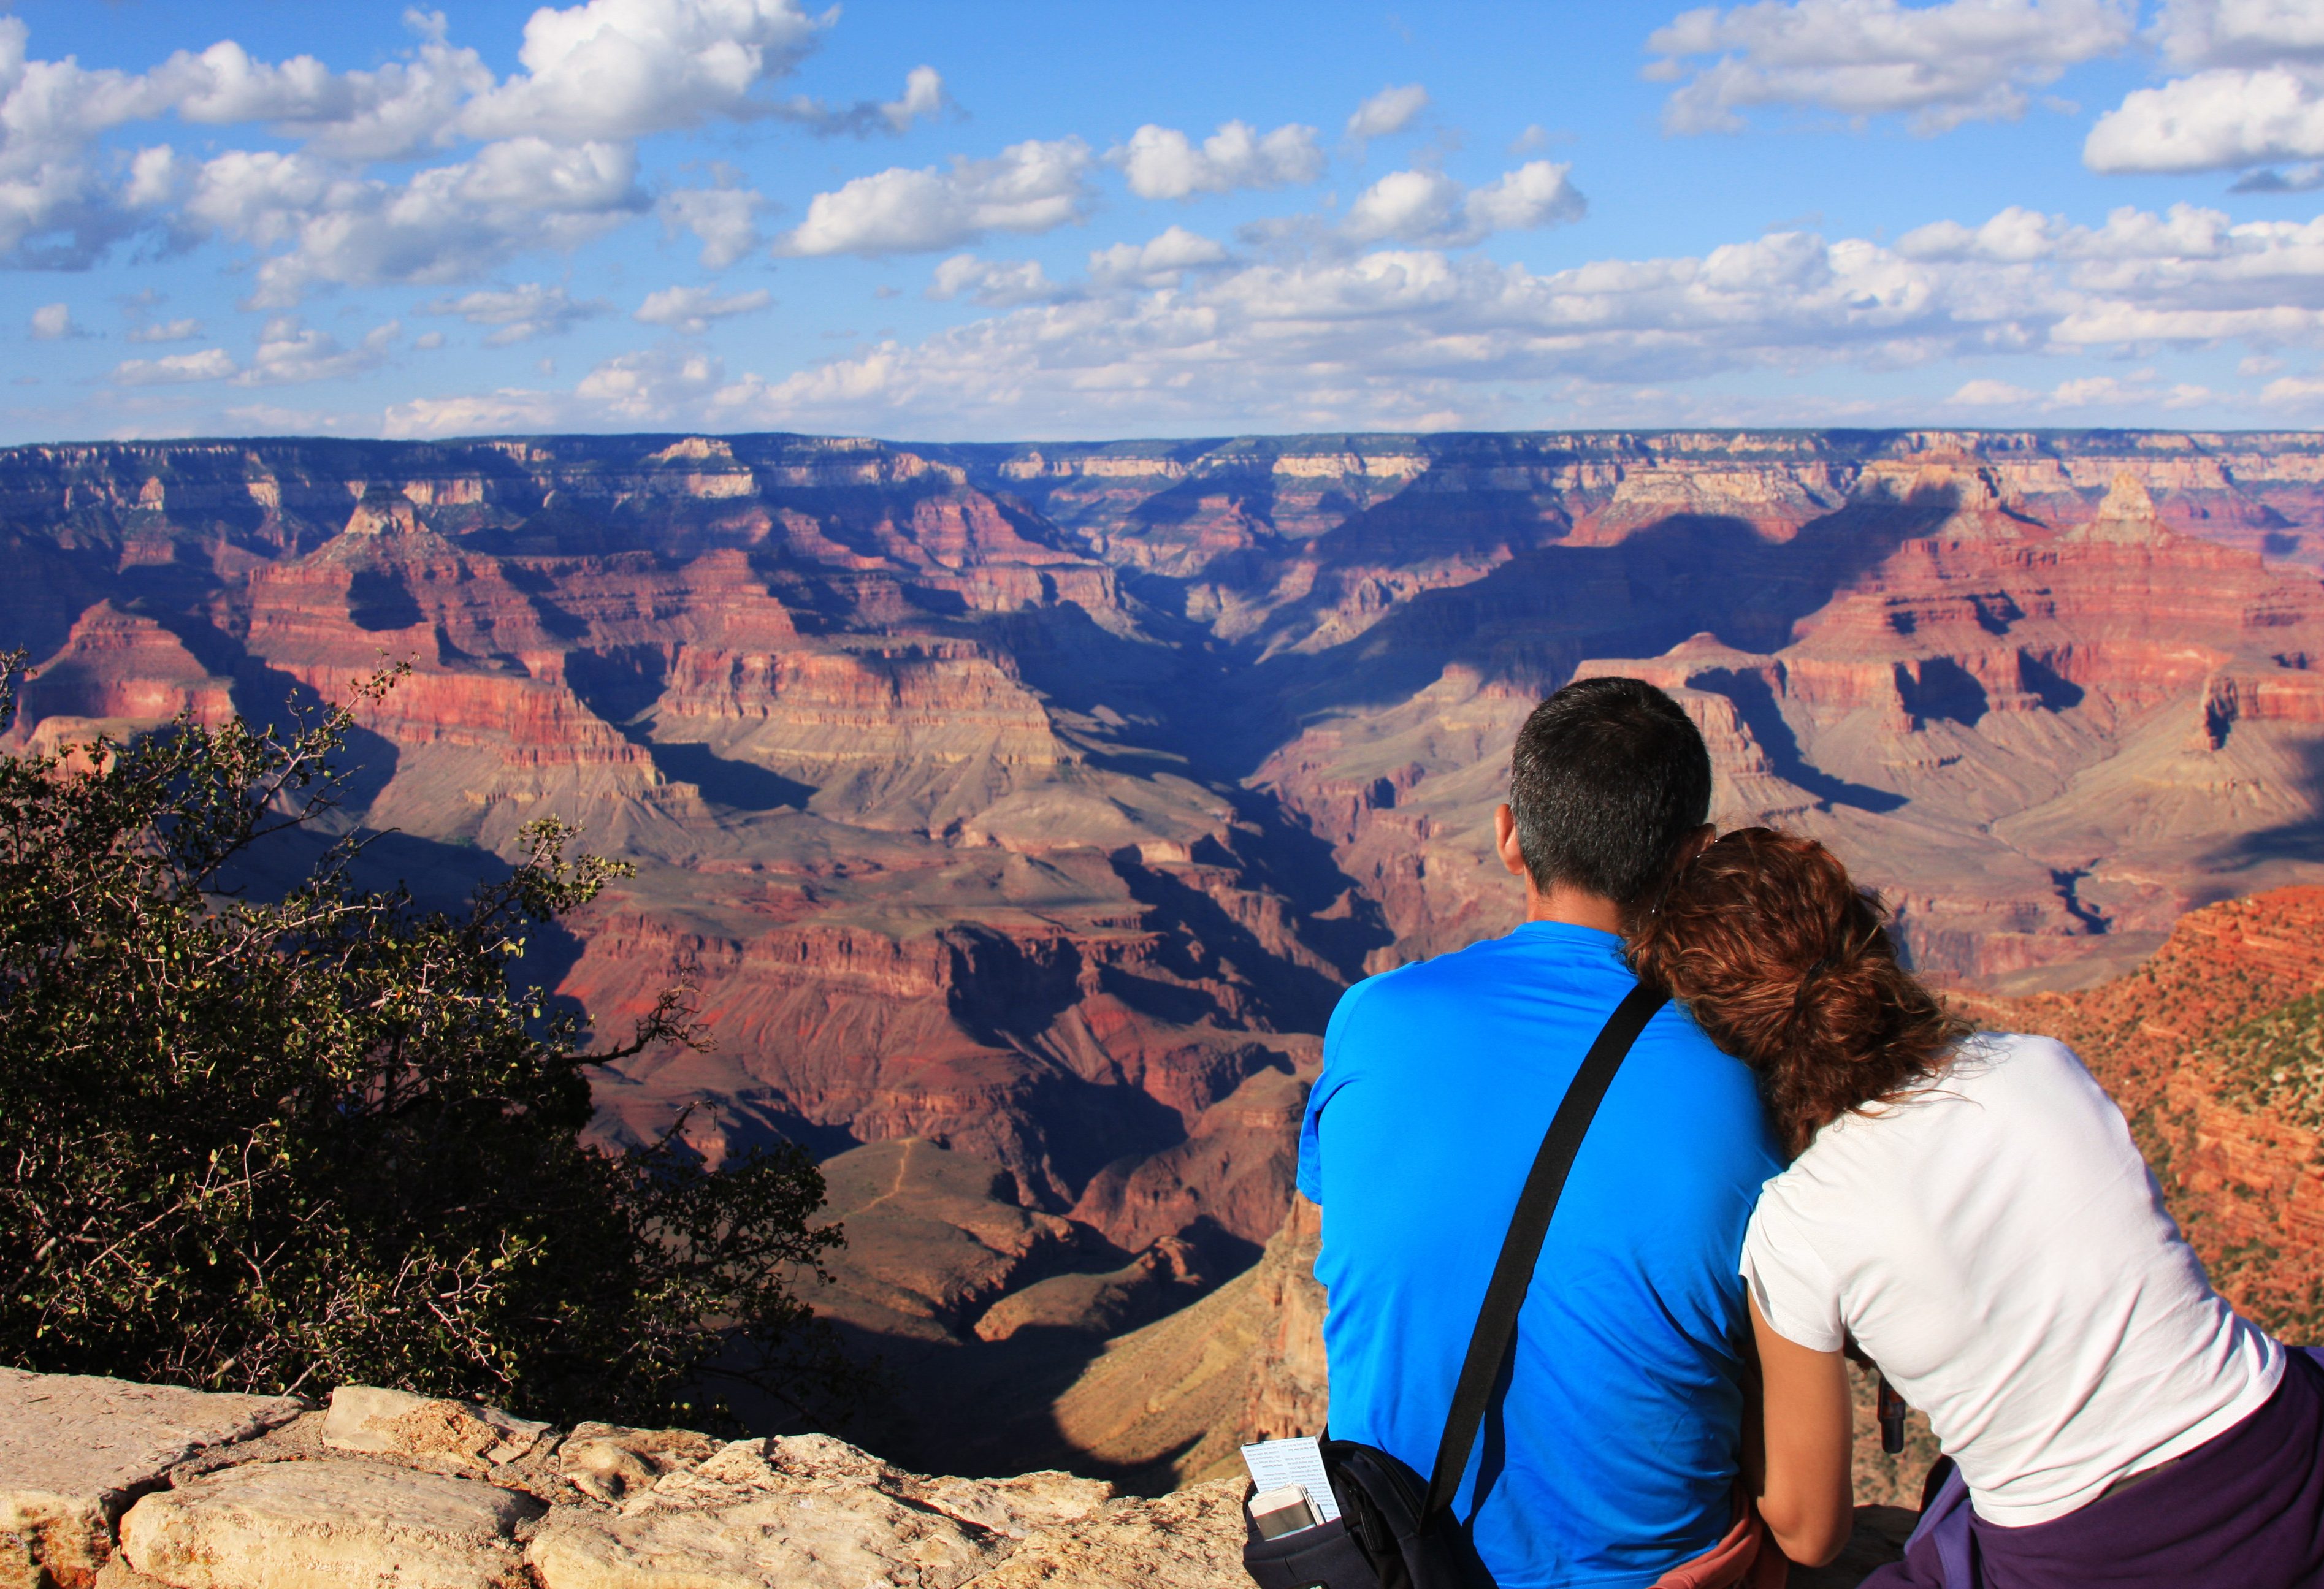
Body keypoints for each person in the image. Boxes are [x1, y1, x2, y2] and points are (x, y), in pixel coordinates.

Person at [1630, 826, 2324, 1588]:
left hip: (2089, 1557)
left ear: (1726, 1041)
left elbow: (1811, 1532)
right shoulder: (2040, 1064)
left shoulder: (1799, 1226)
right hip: (2287, 1450)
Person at [1298, 677, 1785, 1588]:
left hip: (1399, 1559)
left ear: (1507, 835)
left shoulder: (1370, 1017)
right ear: (1694, 857)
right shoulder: (1747, 1079)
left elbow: (1374, 1222)